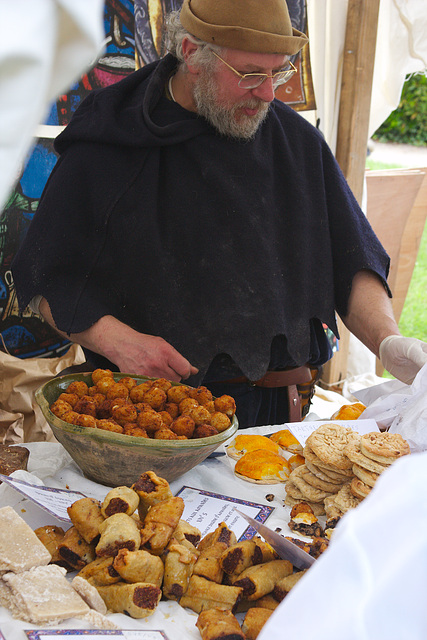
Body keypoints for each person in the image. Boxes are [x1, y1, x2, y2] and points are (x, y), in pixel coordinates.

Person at [11, 0, 427, 428]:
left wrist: (387, 340)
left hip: (279, 417)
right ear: (191, 53)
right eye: (249, 74)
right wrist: (120, 343)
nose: (267, 92)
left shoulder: (296, 143)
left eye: (278, 72)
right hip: (150, 418)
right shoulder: (111, 140)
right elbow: (48, 276)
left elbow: (352, 257)